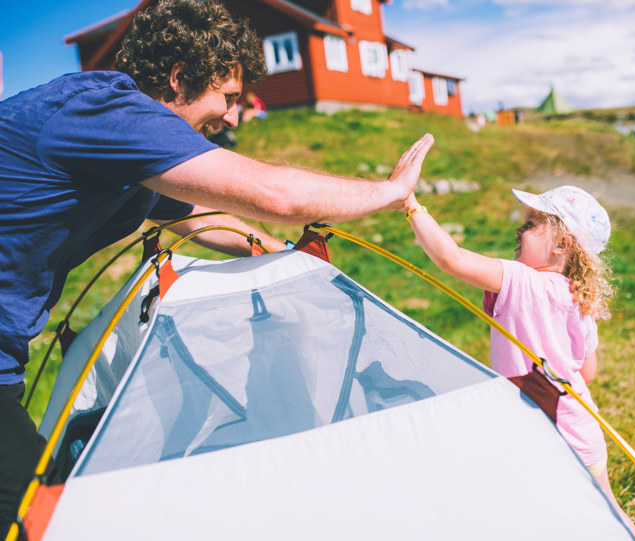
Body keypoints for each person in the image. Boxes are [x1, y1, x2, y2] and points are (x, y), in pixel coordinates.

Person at [0, 0, 433, 535]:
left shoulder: (130, 153)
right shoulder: (105, 112)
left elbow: (196, 215)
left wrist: (274, 255)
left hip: (7, 358)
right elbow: (275, 194)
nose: (233, 116)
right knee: (33, 518)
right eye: (228, 98)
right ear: (178, 79)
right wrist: (390, 192)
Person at [402, 185, 635, 539]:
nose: (518, 229)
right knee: (606, 514)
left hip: (547, 441)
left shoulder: (522, 281)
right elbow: (587, 371)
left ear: (563, 245)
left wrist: (410, 205)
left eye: (531, 224)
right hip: (582, 433)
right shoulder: (579, 298)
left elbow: (451, 258)